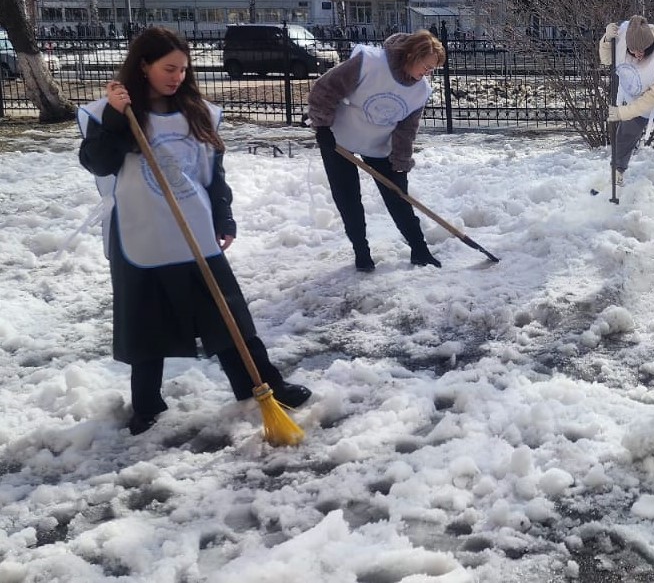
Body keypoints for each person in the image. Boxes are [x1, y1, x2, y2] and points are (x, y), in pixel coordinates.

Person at [77, 27, 311, 435]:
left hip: (195, 232)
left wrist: (223, 216)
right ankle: (146, 405)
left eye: (184, 69)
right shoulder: (110, 114)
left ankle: (262, 384)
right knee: (145, 323)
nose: (177, 77)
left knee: (228, 317)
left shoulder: (197, 112)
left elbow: (213, 175)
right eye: (169, 68)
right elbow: (99, 163)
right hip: (141, 235)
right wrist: (116, 116)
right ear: (144, 65)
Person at [307, 30, 446, 271]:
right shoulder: (369, 63)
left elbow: (406, 129)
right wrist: (322, 127)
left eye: (432, 69)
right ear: (412, 55)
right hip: (339, 139)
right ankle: (361, 252)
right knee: (348, 198)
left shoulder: (420, 91)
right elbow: (326, 88)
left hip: (380, 145)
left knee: (399, 196)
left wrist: (401, 160)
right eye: (426, 66)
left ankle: (419, 249)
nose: (428, 73)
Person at [600, 15, 654, 207]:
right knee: (624, 138)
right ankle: (615, 177)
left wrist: (623, 113)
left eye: (644, 51)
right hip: (637, 98)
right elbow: (607, 60)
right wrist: (607, 40)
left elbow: (653, 98)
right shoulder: (622, 37)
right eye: (634, 51)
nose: (639, 55)